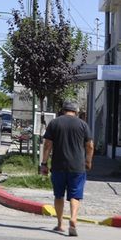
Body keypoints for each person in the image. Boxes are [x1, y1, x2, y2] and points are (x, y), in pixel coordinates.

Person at [40, 100, 94, 237]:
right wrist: (88, 161)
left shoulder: (55, 123)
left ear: (63, 110)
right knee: (75, 195)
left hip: (58, 166)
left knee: (59, 195)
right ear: (75, 111)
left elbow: (47, 145)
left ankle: (60, 224)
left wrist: (44, 163)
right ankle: (73, 219)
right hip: (77, 166)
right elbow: (90, 146)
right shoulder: (83, 124)